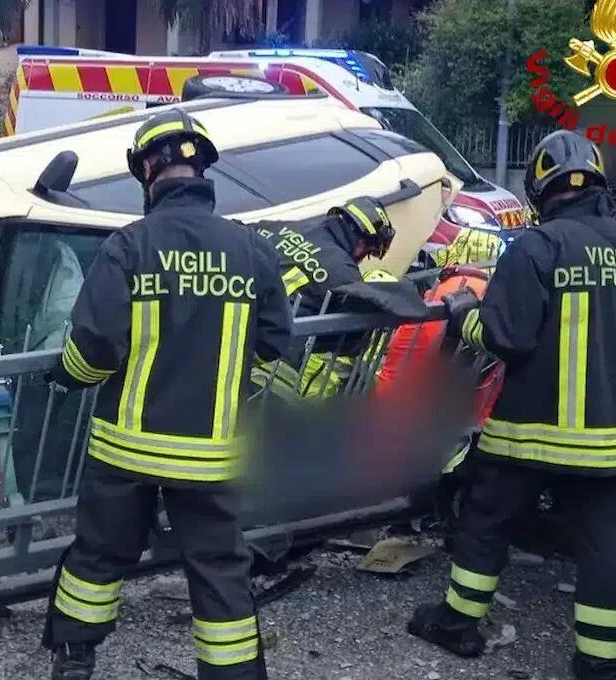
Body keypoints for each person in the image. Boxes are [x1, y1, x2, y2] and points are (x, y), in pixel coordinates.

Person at [406, 130, 616, 680]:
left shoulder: (537, 247)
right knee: (602, 547)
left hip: (530, 431)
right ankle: (602, 664)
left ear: (539, 188)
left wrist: (463, 316)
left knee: (486, 520)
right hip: (612, 440)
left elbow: (506, 336)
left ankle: (457, 624)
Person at [40, 108, 293, 680]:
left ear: (148, 170)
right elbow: (275, 341)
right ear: (202, 169)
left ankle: (75, 657)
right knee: (220, 569)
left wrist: (63, 378)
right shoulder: (249, 248)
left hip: (125, 450)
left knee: (98, 555)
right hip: (211, 454)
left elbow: (94, 347)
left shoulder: (129, 245)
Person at [248, 198, 398, 400]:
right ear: (362, 242)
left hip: (222, 331)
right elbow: (352, 342)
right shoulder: (345, 276)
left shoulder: (280, 227)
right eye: (368, 253)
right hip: (269, 371)